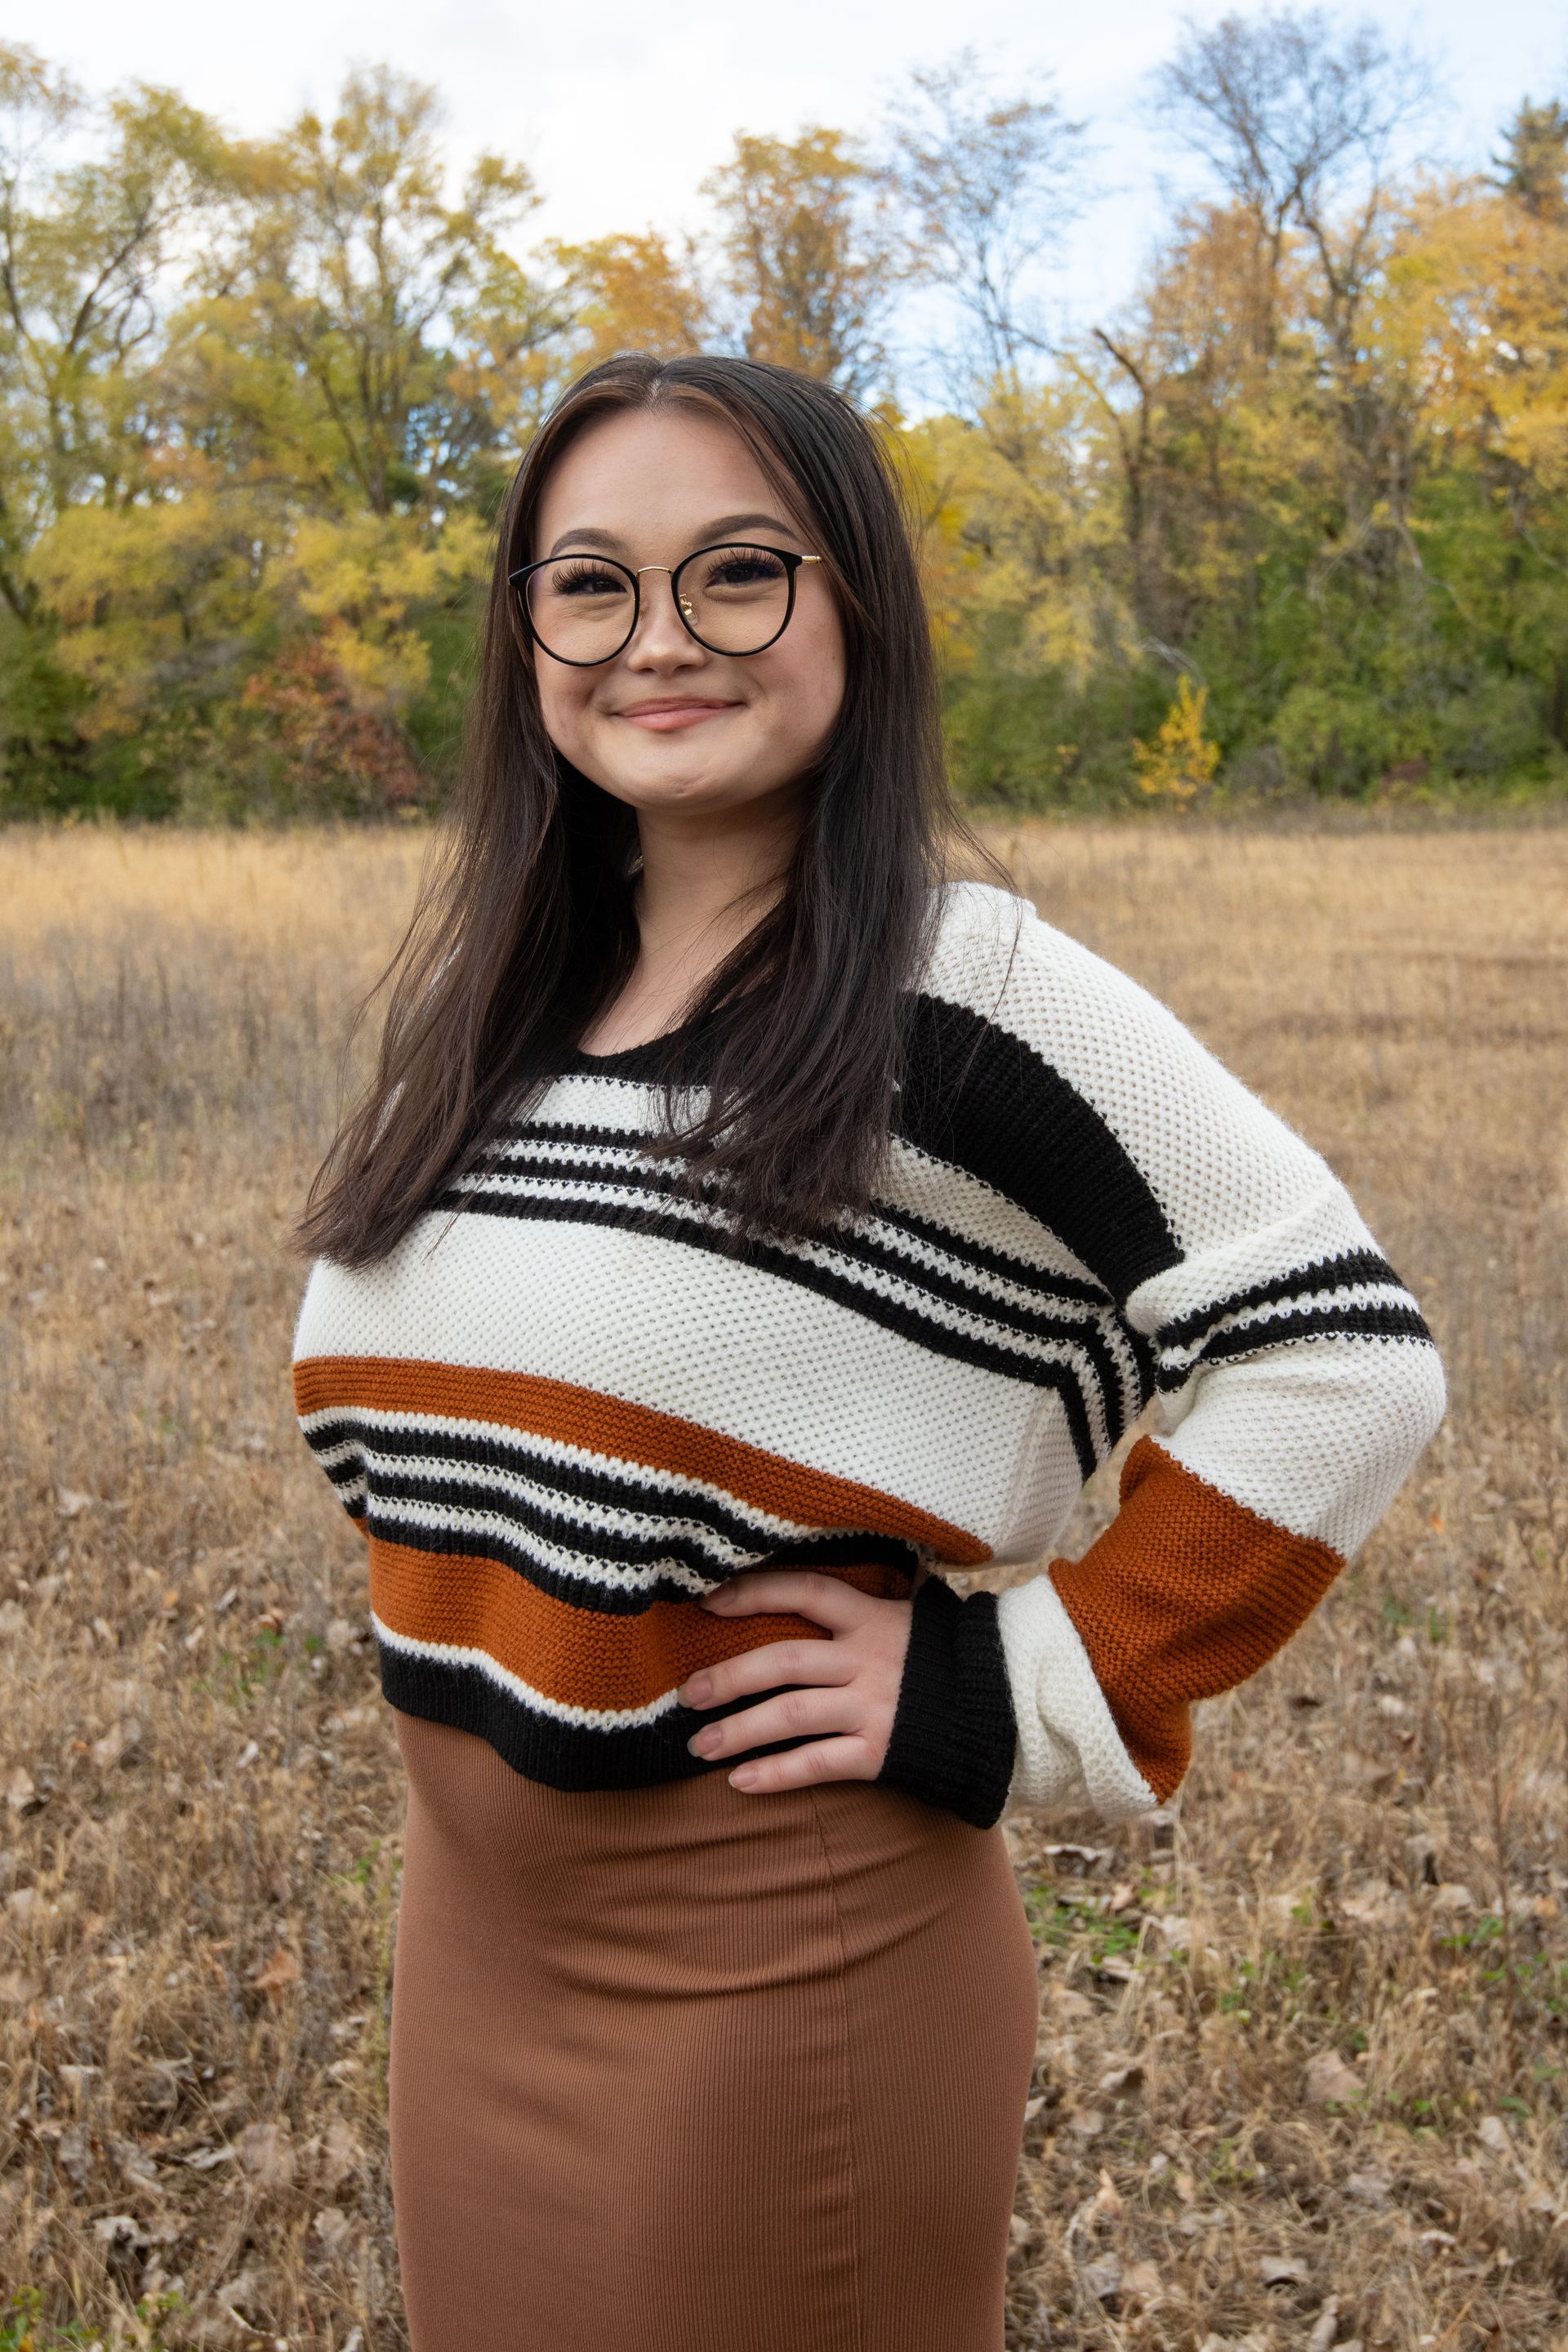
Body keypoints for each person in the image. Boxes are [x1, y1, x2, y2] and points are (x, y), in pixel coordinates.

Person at [291, 353, 1446, 2352]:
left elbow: (1342, 1353)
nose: (659, 640)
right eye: (590, 584)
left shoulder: (965, 986)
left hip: (766, 1968)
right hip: (472, 1933)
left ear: (856, 610)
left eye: (739, 574)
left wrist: (1038, 1682)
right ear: (524, 634)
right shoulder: (504, 993)